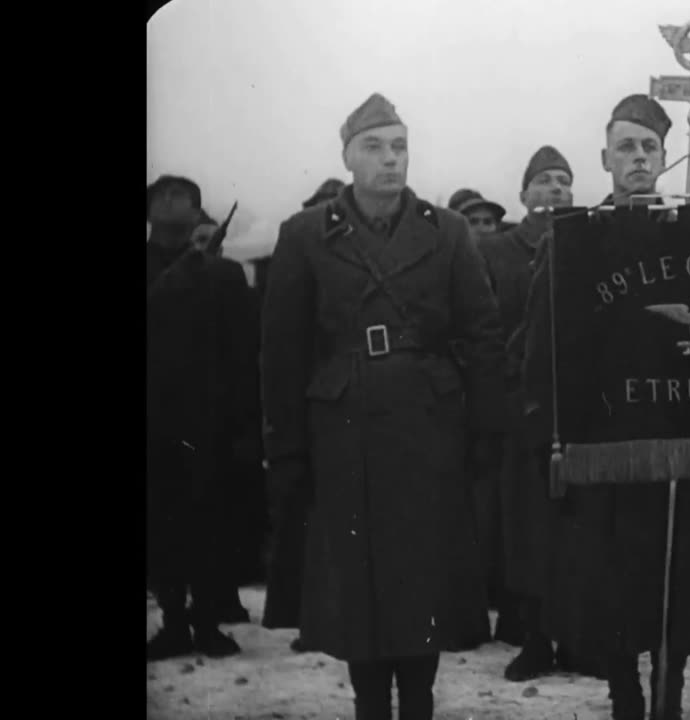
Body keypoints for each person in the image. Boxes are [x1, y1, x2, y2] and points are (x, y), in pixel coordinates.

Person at [260, 93, 507, 720]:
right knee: (359, 588)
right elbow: (282, 352)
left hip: (429, 429)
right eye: (373, 147)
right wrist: (287, 448)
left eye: (399, 146)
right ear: (347, 157)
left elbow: (482, 335)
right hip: (343, 433)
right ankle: (369, 703)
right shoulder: (305, 234)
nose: (390, 159)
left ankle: (418, 702)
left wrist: (484, 431)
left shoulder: (446, 230)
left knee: (421, 583)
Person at [514, 94, 690, 720]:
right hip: (605, 438)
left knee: (678, 580)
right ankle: (624, 695)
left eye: (649, 147)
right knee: (613, 582)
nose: (638, 158)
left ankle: (671, 694)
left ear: (665, 158)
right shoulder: (574, 240)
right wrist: (549, 430)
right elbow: (541, 342)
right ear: (605, 159)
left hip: (680, 432)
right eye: (626, 147)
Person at [473, 144, 602, 680]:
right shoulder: (496, 251)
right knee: (526, 530)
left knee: (575, 529)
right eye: (545, 180)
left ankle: (575, 638)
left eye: (564, 181)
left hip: (577, 411)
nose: (556, 189)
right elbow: (481, 328)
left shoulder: (587, 243)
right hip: (521, 409)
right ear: (523, 193)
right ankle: (532, 640)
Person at [147, 176, 261, 661]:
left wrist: (244, 421)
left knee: (212, 523)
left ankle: (208, 622)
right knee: (160, 526)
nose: (173, 202)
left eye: (185, 197)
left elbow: (243, 350)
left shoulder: (226, 275)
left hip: (210, 420)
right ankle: (173, 622)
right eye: (163, 196)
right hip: (153, 418)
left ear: (198, 213)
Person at [262, 180, 349, 653]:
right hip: (310, 399)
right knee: (308, 519)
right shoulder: (298, 242)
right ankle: (308, 620)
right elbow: (281, 341)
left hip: (347, 397)